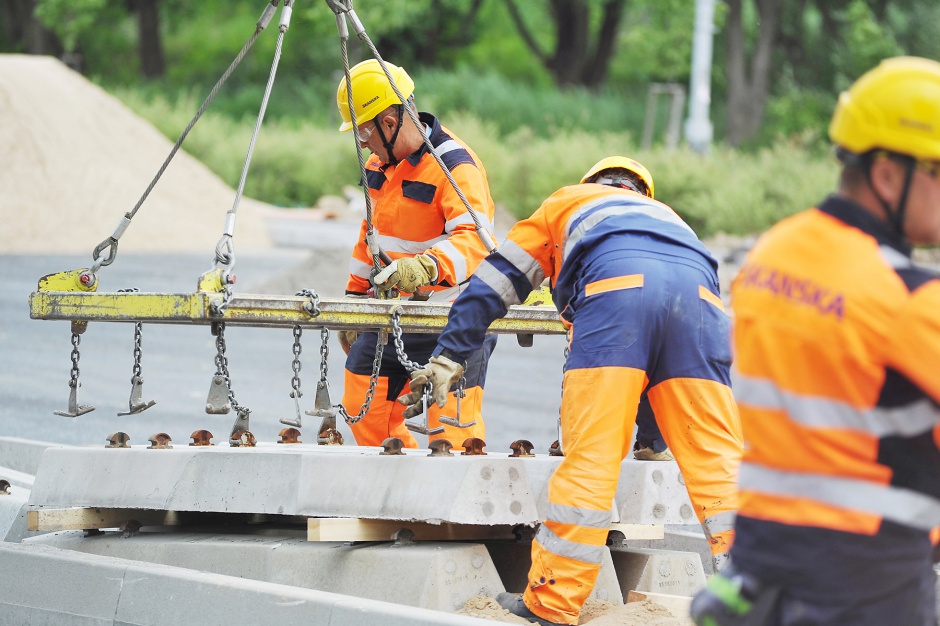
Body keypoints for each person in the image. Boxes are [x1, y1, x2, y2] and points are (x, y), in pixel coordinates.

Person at [400, 156, 743, 625]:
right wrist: (653, 439)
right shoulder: (672, 221)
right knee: (718, 464)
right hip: (702, 310)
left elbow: (492, 284)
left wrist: (450, 354)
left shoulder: (568, 203)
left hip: (614, 299)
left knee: (592, 461)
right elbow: (665, 337)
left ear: (592, 183)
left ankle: (552, 603)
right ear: (643, 191)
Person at [691, 56, 940, 626]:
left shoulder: (772, 253)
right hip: (869, 587)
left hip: (760, 569)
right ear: (888, 174)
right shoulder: (906, 296)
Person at [334, 59, 497, 449]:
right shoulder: (378, 165)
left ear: (389, 123)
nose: (363, 144)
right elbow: (370, 237)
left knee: (453, 434)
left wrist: (425, 267)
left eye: (364, 133)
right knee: (363, 410)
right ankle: (394, 498)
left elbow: (476, 241)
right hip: (393, 317)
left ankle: (450, 507)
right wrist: (355, 300)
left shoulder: (455, 167)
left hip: (453, 319)